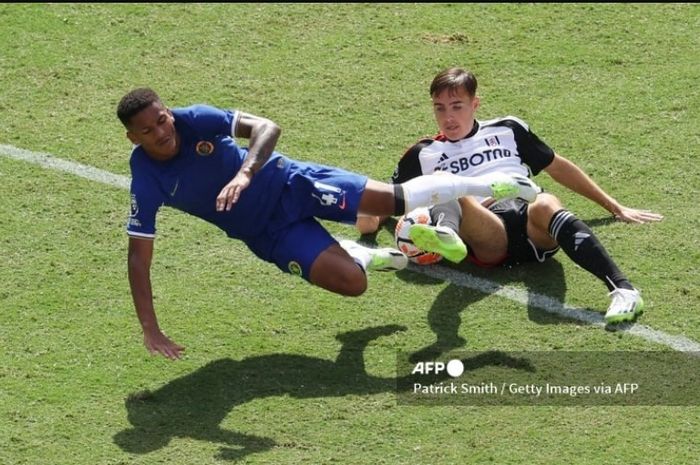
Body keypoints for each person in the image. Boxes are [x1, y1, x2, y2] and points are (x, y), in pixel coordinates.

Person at [117, 87, 541, 359]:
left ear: (169, 112)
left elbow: (267, 127)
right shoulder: (147, 182)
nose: (161, 130)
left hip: (294, 184)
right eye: (148, 130)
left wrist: (245, 173)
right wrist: (150, 329)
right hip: (269, 234)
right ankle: (361, 253)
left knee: (394, 198)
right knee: (353, 284)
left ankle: (494, 182)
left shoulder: (195, 119)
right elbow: (139, 259)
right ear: (133, 138)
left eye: (162, 119)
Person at [356, 67, 663, 324]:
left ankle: (624, 291)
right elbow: (386, 202)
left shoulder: (508, 129)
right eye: (440, 108)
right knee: (444, 183)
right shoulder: (423, 153)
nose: (448, 117)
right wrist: (367, 223)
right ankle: (446, 234)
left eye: (457, 106)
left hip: (532, 222)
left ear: (475, 104)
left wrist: (614, 205)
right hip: (488, 232)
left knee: (544, 202)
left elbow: (557, 167)